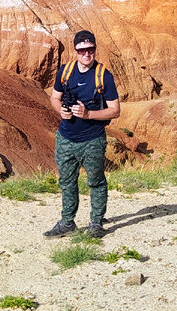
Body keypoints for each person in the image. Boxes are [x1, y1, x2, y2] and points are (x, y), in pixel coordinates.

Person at [44, 30, 120, 239]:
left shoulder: (103, 75)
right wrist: (61, 110)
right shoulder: (65, 72)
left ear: (95, 49)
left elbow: (115, 110)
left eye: (90, 49)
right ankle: (67, 222)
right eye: (82, 50)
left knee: (95, 181)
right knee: (67, 182)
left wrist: (89, 113)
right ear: (76, 51)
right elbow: (54, 98)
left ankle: (96, 223)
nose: (87, 54)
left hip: (93, 139)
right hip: (66, 138)